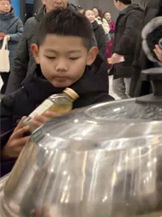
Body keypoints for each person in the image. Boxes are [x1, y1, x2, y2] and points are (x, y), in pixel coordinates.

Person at [0, 9, 112, 176]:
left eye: (73, 58)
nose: (61, 66)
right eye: (51, 57)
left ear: (90, 56)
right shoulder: (13, 103)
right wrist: (6, 152)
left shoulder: (105, 110)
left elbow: (115, 167)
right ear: (36, 53)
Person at [6, 0, 84, 94]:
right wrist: (10, 96)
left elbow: (93, 61)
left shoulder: (80, 23)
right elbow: (20, 63)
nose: (59, 1)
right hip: (35, 87)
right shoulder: (32, 24)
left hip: (70, 89)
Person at [108, 0, 144, 99]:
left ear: (118, 2)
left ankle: (132, 108)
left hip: (130, 59)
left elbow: (131, 34)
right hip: (121, 59)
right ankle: (128, 106)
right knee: (117, 88)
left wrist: (118, 51)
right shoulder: (125, 14)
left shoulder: (134, 14)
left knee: (130, 91)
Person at [0, 0, 24, 94]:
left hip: (13, 53)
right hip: (1, 53)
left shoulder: (17, 20)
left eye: (8, 4)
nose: (6, 6)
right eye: (3, 4)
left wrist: (10, 36)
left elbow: (22, 34)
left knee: (12, 79)